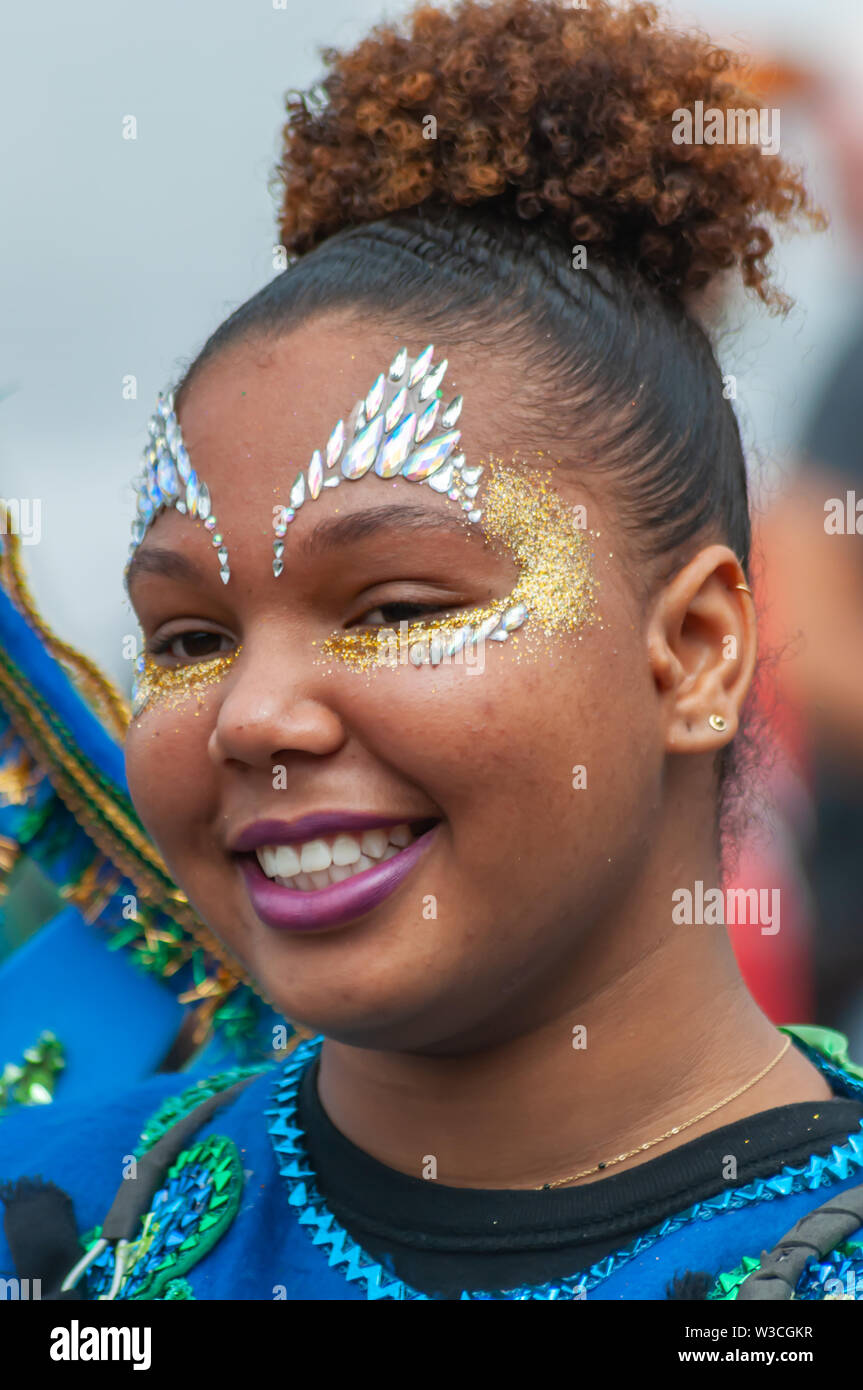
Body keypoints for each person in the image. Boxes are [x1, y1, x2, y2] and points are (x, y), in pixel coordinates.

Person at [2, 0, 863, 1303]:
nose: (253, 715)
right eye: (190, 635)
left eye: (395, 609)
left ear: (692, 652)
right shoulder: (53, 1225)